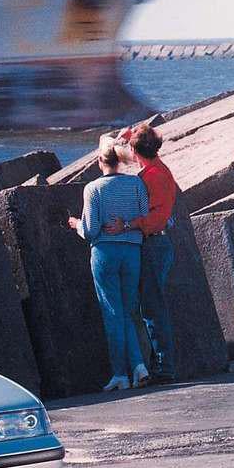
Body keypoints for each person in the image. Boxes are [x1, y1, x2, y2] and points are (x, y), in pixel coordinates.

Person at [68, 137, 150, 392]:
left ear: (99, 160)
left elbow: (91, 230)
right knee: (128, 311)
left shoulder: (93, 189)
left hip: (105, 253)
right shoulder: (136, 183)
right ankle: (139, 366)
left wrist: (75, 225)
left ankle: (120, 374)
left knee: (112, 313)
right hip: (132, 251)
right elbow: (144, 216)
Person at [104, 122, 178, 383]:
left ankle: (164, 368)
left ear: (136, 152)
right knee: (152, 306)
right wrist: (127, 137)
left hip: (154, 244)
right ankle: (161, 365)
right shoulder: (158, 168)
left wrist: (128, 224)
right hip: (160, 244)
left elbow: (157, 218)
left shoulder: (152, 177)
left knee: (152, 309)